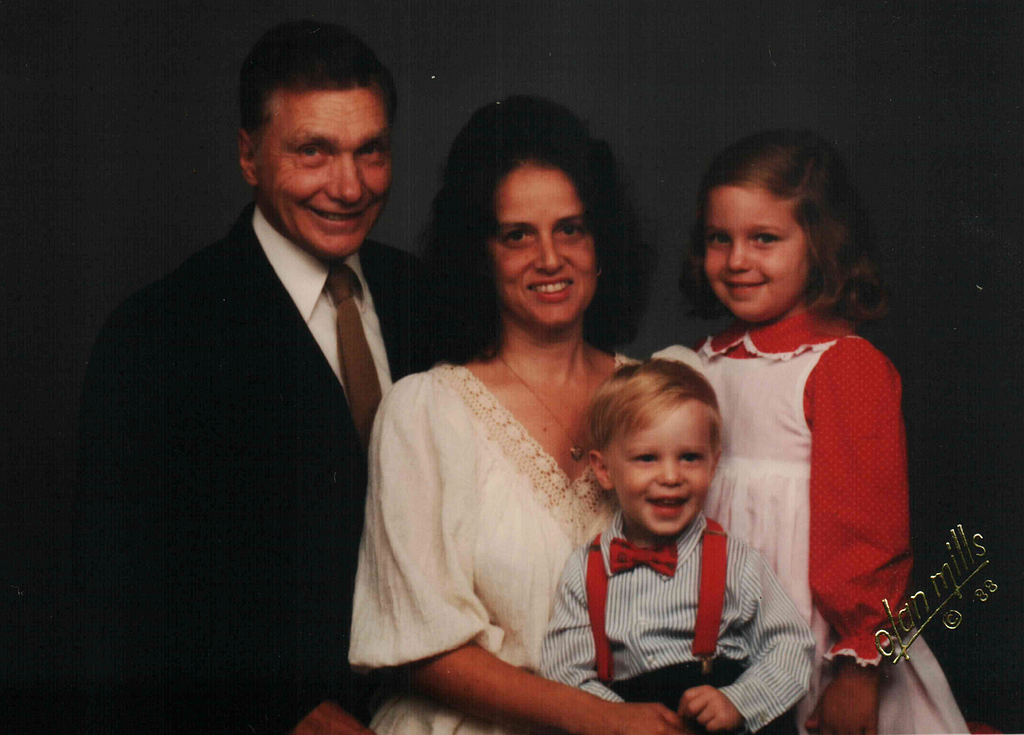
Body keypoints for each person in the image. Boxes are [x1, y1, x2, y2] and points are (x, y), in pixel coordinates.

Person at [71, 21, 432, 735]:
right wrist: (280, 714)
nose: (350, 186)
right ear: (248, 155)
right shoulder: (157, 334)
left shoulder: (433, 299)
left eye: (372, 151)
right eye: (313, 152)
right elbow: (123, 604)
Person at [349, 96, 686, 735]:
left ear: (602, 240)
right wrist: (603, 722)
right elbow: (423, 650)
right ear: (481, 255)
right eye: (517, 235)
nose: (550, 258)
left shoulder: (661, 398)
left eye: (571, 228)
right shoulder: (424, 413)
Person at [675, 129, 969, 734]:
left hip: (815, 636)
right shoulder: (698, 363)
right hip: (722, 628)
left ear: (821, 245)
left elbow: (869, 531)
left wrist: (860, 667)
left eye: (765, 239)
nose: (736, 260)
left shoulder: (839, 363)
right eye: (718, 238)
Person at [541, 359, 815, 733]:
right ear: (604, 471)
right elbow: (564, 672)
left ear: (714, 464)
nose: (671, 477)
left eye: (689, 457)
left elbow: (791, 646)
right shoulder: (584, 570)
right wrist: (618, 719)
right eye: (646, 458)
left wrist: (739, 701)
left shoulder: (737, 563)